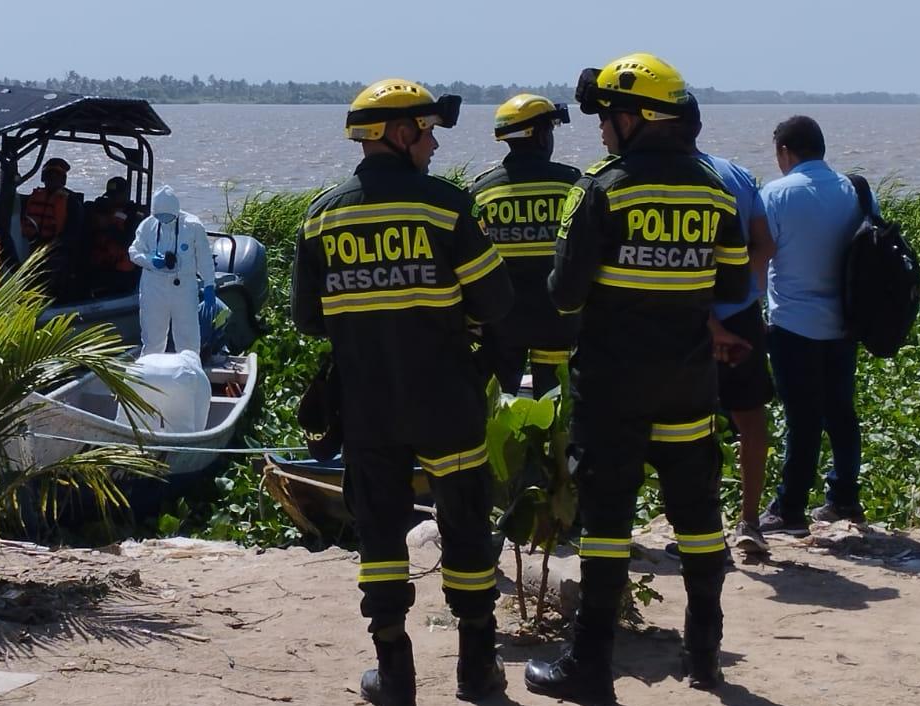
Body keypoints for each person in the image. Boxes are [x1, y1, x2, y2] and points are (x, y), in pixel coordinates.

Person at [524, 54, 749, 704]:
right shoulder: (713, 189)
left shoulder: (601, 189)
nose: (600, 131)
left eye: (607, 118)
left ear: (636, 118)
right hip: (687, 383)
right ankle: (704, 649)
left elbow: (564, 296)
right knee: (699, 515)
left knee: (606, 525)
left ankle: (589, 666)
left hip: (613, 389)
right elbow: (733, 285)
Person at [294, 78, 514, 706]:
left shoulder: (321, 216)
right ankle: (478, 670)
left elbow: (308, 319)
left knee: (381, 535)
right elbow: (498, 300)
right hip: (447, 402)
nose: (436, 143)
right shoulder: (446, 208)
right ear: (399, 134)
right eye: (428, 130)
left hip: (367, 407)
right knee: (465, 529)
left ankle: (394, 675)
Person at [756, 116, 872, 537]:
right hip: (844, 323)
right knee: (841, 412)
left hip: (793, 323)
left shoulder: (776, 194)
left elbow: (759, 258)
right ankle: (844, 497)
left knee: (802, 418)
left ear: (786, 152)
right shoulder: (854, 189)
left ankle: (790, 507)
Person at [686, 112, 779, 555]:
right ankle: (749, 520)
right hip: (741, 315)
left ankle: (701, 530)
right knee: (750, 416)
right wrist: (744, 293)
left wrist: (710, 321)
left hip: (686, 317)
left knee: (686, 423)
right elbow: (764, 244)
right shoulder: (736, 172)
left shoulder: (671, 179)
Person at [468, 94, 580, 396]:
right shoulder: (572, 185)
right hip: (558, 321)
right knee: (556, 407)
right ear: (542, 135)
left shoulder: (481, 192)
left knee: (501, 404)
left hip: (502, 324)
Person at [128, 185, 214, 355]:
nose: (164, 219)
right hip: (154, 289)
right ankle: (151, 375)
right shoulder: (147, 226)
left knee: (188, 339)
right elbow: (133, 252)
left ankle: (189, 375)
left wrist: (209, 283)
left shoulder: (193, 226)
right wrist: (151, 260)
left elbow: (204, 258)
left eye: (167, 216)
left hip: (184, 289)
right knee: (153, 340)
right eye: (159, 216)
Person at [88, 176, 141, 294]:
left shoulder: (134, 215)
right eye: (110, 195)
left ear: (125, 194)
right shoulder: (103, 210)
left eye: (116, 195)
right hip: (101, 266)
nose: (112, 198)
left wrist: (108, 226)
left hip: (122, 272)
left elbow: (128, 242)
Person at [22, 157, 76, 249]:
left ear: (63, 179)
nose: (53, 178)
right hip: (31, 245)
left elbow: (72, 233)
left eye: (57, 175)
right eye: (50, 175)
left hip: (57, 251)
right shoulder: (31, 198)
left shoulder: (71, 203)